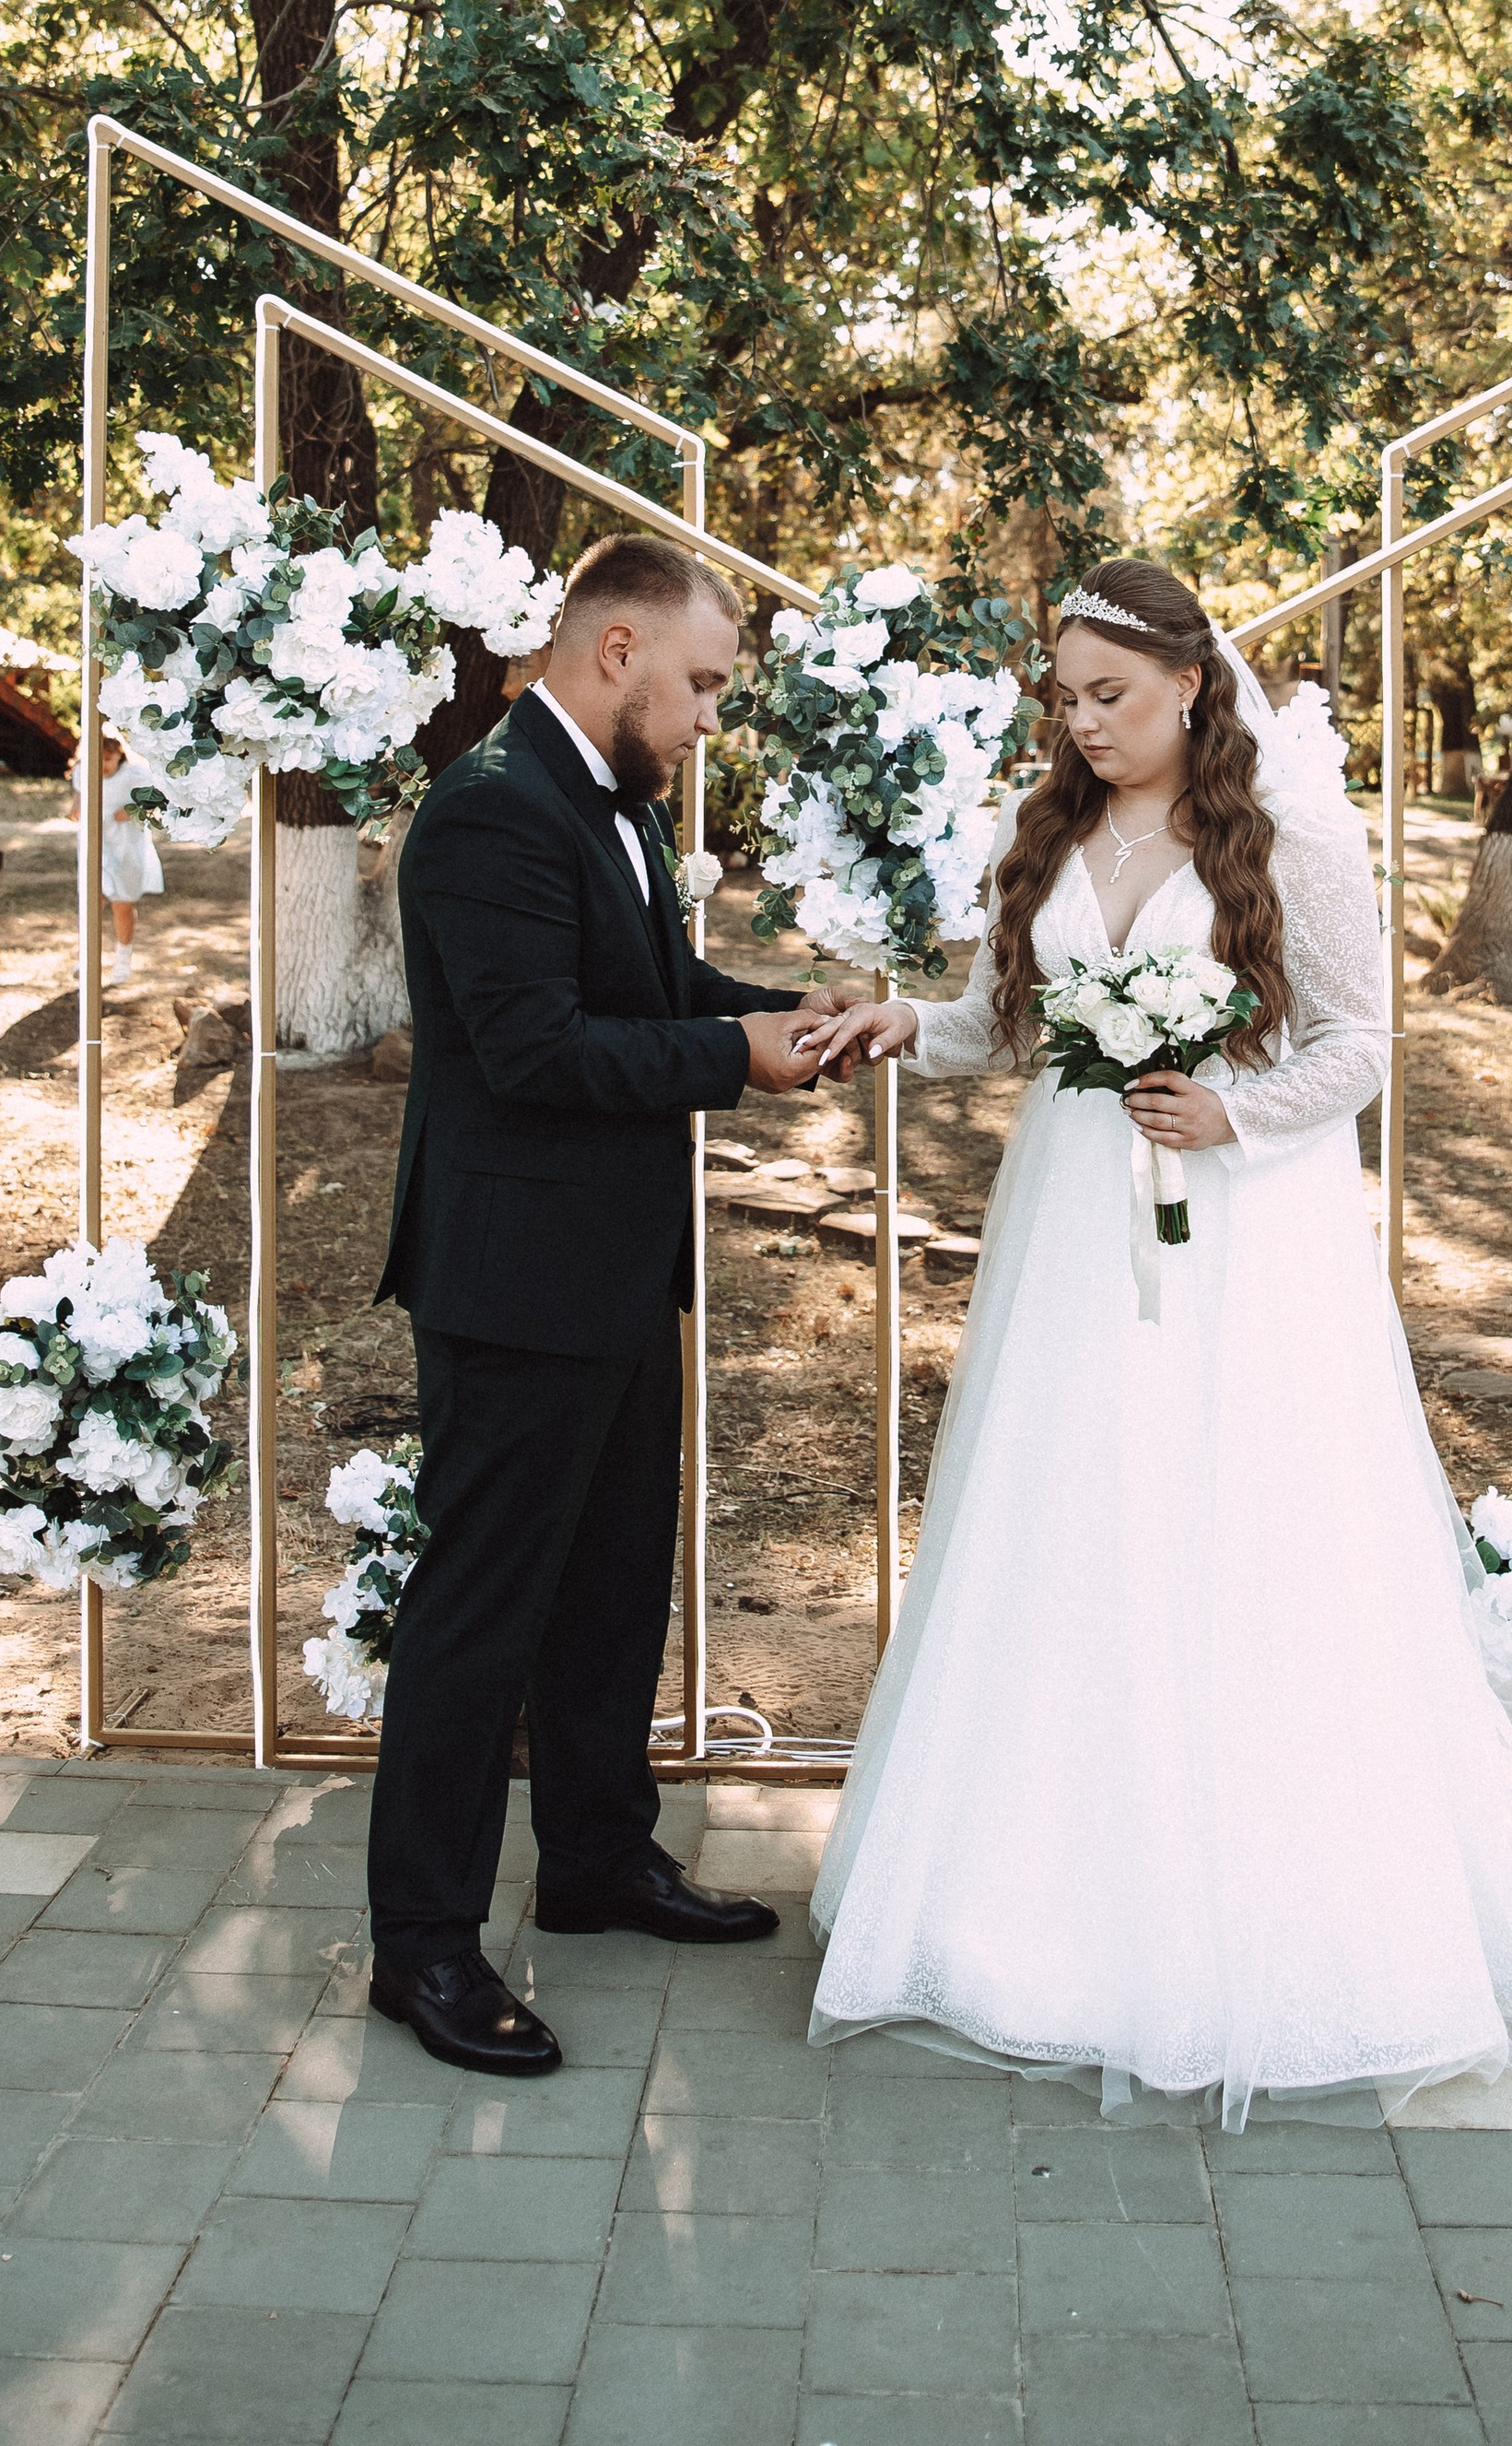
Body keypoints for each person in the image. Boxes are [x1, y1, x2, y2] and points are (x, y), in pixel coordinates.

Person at [795, 558, 1512, 2127]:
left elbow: (1361, 1046)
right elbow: (1004, 1026)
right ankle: (1027, 1903)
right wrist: (911, 1023)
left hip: (1241, 1231)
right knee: (1070, 1520)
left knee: (1239, 1523)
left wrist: (1234, 1112)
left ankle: (1271, 1899)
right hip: (1068, 1226)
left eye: (1111, 694)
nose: (1084, 722)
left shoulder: (1290, 838)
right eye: (1067, 697)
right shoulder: (1037, 833)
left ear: (1190, 682)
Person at [365, 533, 847, 2076]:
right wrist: (736, 1064)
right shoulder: (492, 811)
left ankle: (591, 1860)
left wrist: (774, 1015)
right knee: (478, 1614)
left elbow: (642, 984)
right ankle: (423, 1950)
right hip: (512, 1284)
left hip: (618, 1269)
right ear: (618, 651)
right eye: (701, 683)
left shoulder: (605, 801)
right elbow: (538, 1052)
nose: (710, 716)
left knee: (614, 1582)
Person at [76, 735, 161, 988]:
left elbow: (156, 798)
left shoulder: (135, 775)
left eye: (108, 759)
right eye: (98, 759)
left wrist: (134, 809)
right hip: (96, 845)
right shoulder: (84, 771)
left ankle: (123, 961)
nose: (103, 765)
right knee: (92, 900)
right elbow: (79, 796)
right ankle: (87, 957)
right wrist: (75, 808)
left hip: (126, 847)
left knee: (122, 904)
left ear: (120, 756)